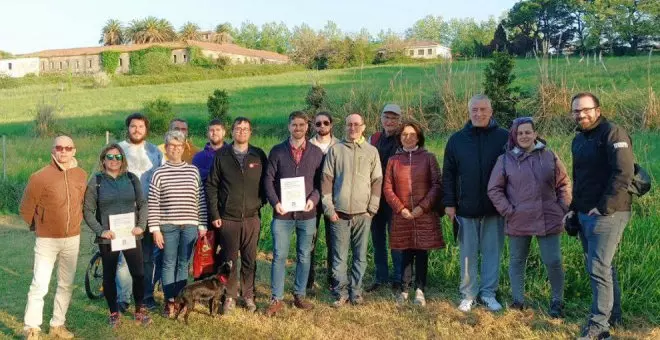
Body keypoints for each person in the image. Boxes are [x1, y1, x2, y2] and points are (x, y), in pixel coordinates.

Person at [565, 92, 634, 340]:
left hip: (610, 213)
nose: (581, 114)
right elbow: (579, 179)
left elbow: (623, 173)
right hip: (584, 212)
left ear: (597, 109)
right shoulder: (579, 140)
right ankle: (613, 316)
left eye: (585, 109)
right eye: (576, 111)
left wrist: (604, 207)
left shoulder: (613, 133)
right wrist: (573, 208)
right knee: (604, 267)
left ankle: (598, 326)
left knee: (598, 267)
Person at [487, 117, 571, 317]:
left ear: (535, 134)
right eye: (519, 133)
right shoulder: (505, 160)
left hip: (548, 217)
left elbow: (564, 183)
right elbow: (494, 189)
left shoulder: (549, 156)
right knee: (517, 260)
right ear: (514, 137)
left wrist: (562, 207)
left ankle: (557, 301)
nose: (524, 136)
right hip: (518, 219)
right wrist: (509, 210)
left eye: (527, 132)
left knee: (553, 261)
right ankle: (518, 300)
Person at [442, 94, 508, 312]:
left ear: (491, 111)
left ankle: (488, 294)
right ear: (468, 112)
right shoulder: (457, 140)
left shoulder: (505, 137)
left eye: (483, 110)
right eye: (474, 110)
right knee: (468, 254)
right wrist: (449, 203)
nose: (479, 114)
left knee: (492, 252)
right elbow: (448, 174)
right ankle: (468, 294)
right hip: (465, 208)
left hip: (494, 208)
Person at [19, 135, 87, 340]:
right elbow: (26, 208)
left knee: (66, 284)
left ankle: (57, 325)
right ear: (53, 150)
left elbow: (82, 203)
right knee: (40, 284)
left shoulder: (81, 175)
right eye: (59, 147)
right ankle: (32, 328)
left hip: (72, 238)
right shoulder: (39, 177)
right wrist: (41, 226)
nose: (63, 151)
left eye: (68, 148)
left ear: (74, 150)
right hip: (47, 240)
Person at [82, 144, 152, 327]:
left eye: (118, 157)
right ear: (103, 160)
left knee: (138, 273)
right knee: (109, 275)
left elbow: (143, 204)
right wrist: (101, 231)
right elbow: (88, 211)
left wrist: (141, 226)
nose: (114, 160)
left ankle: (139, 310)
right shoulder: (96, 181)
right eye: (110, 157)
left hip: (131, 235)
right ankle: (114, 312)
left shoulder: (131, 178)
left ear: (123, 159)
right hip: (109, 237)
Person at [264, 111, 324, 316]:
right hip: (282, 215)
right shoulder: (278, 151)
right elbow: (268, 180)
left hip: (307, 215)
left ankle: (299, 295)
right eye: (294, 125)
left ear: (307, 127)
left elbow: (321, 184)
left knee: (304, 256)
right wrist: (275, 202)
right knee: (279, 255)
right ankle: (276, 297)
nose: (297, 128)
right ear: (289, 127)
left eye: (301, 125)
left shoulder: (316, 153)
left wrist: (313, 200)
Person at [206, 117, 268, 315]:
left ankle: (248, 294)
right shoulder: (222, 155)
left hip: (251, 217)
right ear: (231, 132)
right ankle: (230, 296)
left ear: (250, 132)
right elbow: (211, 185)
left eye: (245, 129)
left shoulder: (258, 155)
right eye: (238, 128)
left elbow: (268, 182)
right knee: (229, 260)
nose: (242, 132)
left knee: (250, 259)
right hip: (228, 218)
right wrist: (215, 213)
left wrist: (260, 202)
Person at [322, 113, 382, 308]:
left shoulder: (372, 151)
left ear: (363, 127)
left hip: (363, 214)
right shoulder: (335, 150)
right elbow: (326, 180)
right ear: (345, 127)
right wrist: (329, 208)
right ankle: (341, 292)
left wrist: (372, 209)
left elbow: (377, 181)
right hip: (339, 214)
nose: (353, 128)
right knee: (339, 257)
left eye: (357, 125)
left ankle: (356, 291)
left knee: (360, 256)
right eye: (349, 125)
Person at [382, 121, 444, 307]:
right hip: (403, 215)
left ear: (418, 137)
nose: (407, 138)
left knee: (422, 251)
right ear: (399, 138)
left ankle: (420, 289)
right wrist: (401, 209)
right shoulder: (393, 161)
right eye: (403, 135)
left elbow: (437, 185)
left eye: (411, 134)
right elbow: (387, 187)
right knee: (405, 251)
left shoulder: (428, 158)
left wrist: (421, 208)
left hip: (423, 214)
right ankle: (404, 289)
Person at [148, 130, 208, 318]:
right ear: (166, 148)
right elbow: (153, 202)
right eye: (171, 146)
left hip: (190, 225)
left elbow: (200, 199)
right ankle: (169, 301)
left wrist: (202, 224)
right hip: (168, 226)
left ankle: (181, 298)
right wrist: (155, 229)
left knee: (183, 263)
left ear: (184, 148)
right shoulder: (159, 173)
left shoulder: (193, 171)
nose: (175, 149)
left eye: (178, 146)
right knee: (168, 263)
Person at [118, 113, 164, 311]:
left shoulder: (154, 152)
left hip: (148, 210)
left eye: (141, 126)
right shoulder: (118, 149)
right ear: (128, 128)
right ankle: (123, 298)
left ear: (146, 130)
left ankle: (146, 296)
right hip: (123, 212)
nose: (137, 129)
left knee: (147, 258)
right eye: (133, 126)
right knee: (123, 258)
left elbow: (161, 181)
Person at [366, 104, 403, 292]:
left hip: (396, 197)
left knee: (395, 239)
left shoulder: (405, 138)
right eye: (386, 117)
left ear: (399, 120)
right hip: (375, 196)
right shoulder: (374, 138)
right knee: (377, 238)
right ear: (381, 118)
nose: (390, 121)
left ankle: (399, 278)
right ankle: (381, 277)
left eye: (394, 118)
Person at [307, 111, 340, 290]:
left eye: (325, 123)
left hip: (333, 199)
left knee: (333, 241)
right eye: (318, 124)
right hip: (311, 198)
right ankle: (308, 279)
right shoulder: (308, 145)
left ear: (331, 125)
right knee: (310, 240)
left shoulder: (340, 145)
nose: (322, 126)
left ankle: (333, 279)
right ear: (314, 126)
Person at [192, 119, 228, 183]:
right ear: (207, 134)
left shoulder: (232, 154)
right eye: (211, 130)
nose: (214, 133)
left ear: (224, 133)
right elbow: (195, 178)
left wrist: (206, 172)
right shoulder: (198, 157)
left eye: (218, 130)